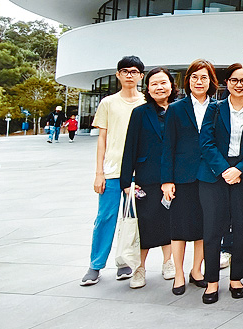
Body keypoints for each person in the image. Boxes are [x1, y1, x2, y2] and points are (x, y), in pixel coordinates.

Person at [198, 64, 243, 303]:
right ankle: (212, 282)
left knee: (242, 228)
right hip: (215, 176)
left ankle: (236, 278)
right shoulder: (215, 109)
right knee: (212, 229)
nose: (239, 85)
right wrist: (224, 169)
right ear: (226, 82)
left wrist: (240, 169)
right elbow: (205, 141)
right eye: (234, 80)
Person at [80, 56, 148, 286]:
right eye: (125, 71)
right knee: (105, 217)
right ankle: (95, 265)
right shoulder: (108, 102)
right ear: (118, 75)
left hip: (137, 172)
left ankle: (125, 262)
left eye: (134, 71)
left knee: (131, 219)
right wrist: (98, 172)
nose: (130, 75)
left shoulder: (147, 101)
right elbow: (102, 139)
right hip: (112, 171)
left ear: (141, 75)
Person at [119, 68, 177, 289]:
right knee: (145, 223)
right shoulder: (140, 113)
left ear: (171, 86)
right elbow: (130, 147)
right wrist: (126, 182)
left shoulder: (178, 110)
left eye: (163, 83)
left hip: (173, 177)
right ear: (148, 88)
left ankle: (168, 262)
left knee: (170, 221)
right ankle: (139, 268)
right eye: (154, 84)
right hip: (147, 176)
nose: (159, 87)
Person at [161, 60, 213, 294]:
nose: (199, 82)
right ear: (188, 81)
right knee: (179, 227)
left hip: (210, 176)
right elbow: (167, 147)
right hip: (182, 177)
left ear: (211, 81)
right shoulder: (176, 108)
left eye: (203, 77)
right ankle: (179, 274)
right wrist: (167, 180)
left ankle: (196, 270)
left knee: (205, 226)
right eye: (194, 77)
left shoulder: (218, 107)